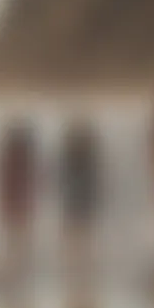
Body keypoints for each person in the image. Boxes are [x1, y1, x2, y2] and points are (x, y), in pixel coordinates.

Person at [0, 119, 37, 288]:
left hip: (16, 208)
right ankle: (18, 277)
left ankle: (15, 278)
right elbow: (27, 185)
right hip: (19, 208)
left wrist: (1, 205)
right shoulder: (20, 159)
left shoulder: (12, 159)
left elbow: (2, 185)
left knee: (14, 246)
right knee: (19, 246)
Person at [59, 119, 100, 295]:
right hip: (78, 206)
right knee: (79, 242)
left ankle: (78, 276)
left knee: (79, 242)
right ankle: (78, 276)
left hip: (78, 206)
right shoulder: (80, 160)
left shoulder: (78, 160)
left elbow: (89, 184)